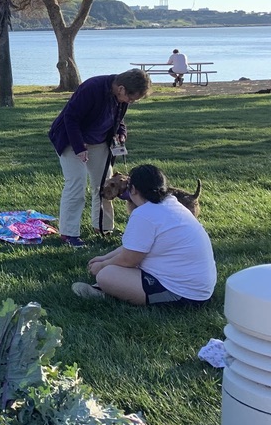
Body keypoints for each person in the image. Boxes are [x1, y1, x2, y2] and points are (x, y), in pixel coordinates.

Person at [72, 164, 216, 306]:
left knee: (105, 275)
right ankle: (109, 288)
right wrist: (105, 257)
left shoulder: (144, 214)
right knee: (112, 270)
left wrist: (102, 265)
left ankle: (106, 293)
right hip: (198, 290)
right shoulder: (171, 203)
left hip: (183, 295)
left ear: (133, 189)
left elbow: (129, 260)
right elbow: (134, 247)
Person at [48, 69, 151, 247]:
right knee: (76, 185)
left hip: (99, 142)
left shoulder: (120, 97)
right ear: (121, 89)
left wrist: (121, 133)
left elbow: (118, 119)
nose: (130, 102)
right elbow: (70, 118)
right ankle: (69, 233)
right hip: (71, 140)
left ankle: (103, 227)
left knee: (105, 184)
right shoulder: (91, 88)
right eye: (131, 98)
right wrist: (79, 147)